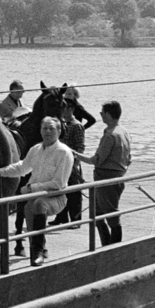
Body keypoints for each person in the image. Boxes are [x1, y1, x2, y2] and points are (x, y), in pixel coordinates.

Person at [0, 115, 74, 265]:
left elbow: (58, 183)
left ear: (59, 131)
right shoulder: (36, 149)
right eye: (44, 128)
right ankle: (39, 248)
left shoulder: (63, 153)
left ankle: (37, 253)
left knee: (38, 204)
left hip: (55, 197)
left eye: (51, 128)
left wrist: (31, 188)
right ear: (40, 131)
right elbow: (21, 168)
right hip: (33, 197)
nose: (47, 132)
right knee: (30, 208)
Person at [91, 101, 131, 245]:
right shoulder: (123, 132)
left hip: (106, 178)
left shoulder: (110, 135)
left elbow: (96, 160)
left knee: (111, 215)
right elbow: (129, 158)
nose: (101, 115)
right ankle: (107, 244)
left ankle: (113, 247)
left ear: (108, 114)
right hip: (118, 176)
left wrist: (75, 155)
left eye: (102, 113)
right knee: (97, 214)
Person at [58, 87, 96, 226]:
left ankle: (75, 219)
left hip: (73, 163)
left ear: (71, 110)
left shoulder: (77, 126)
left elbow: (81, 146)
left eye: (66, 109)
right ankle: (60, 217)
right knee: (60, 189)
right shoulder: (61, 125)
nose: (64, 111)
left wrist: (76, 163)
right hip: (60, 161)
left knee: (74, 192)